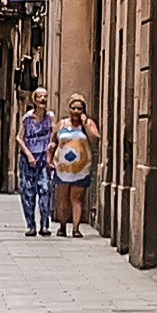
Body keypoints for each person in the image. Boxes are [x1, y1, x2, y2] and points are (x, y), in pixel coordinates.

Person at [46, 98, 97, 240]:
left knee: (77, 198)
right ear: (69, 109)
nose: (76, 111)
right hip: (62, 168)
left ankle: (76, 228)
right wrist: (49, 160)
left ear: (83, 110)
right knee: (62, 198)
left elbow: (95, 138)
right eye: (73, 108)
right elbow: (52, 142)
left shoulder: (87, 124)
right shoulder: (61, 124)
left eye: (79, 109)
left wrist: (85, 124)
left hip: (81, 168)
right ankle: (62, 226)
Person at [14, 95, 56, 235]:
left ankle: (44, 225)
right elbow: (19, 137)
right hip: (28, 159)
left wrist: (51, 149)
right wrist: (29, 155)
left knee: (45, 189)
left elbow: (54, 134)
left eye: (45, 96)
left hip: (43, 158)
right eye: (39, 96)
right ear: (34, 100)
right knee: (28, 192)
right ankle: (31, 225)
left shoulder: (50, 117)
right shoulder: (27, 118)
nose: (43, 99)